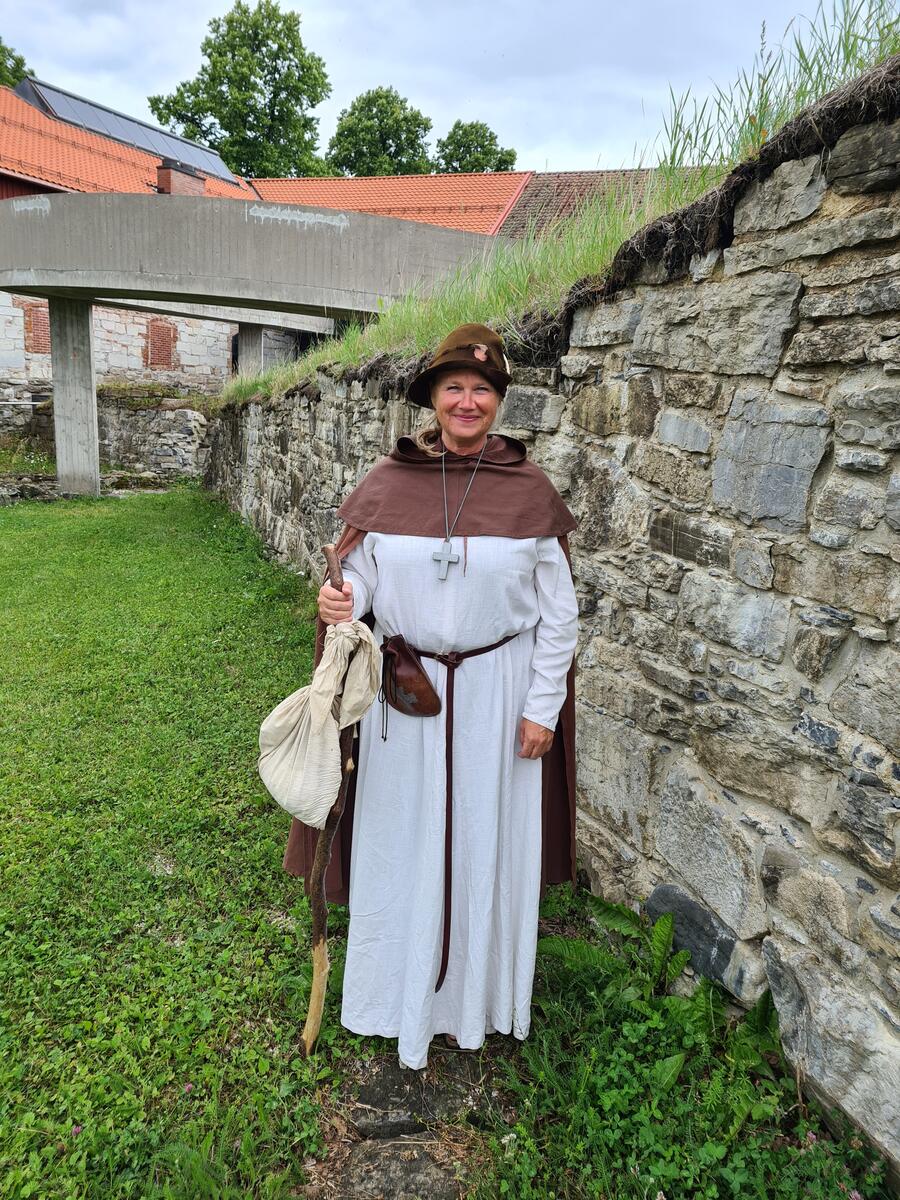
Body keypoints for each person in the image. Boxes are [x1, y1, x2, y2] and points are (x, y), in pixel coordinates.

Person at [284, 323, 579, 1070]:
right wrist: (340, 602)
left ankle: (470, 1007)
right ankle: (393, 995)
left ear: (499, 400)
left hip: (497, 697)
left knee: (484, 840)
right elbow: (366, 585)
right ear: (433, 397)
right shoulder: (388, 484)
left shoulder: (530, 492)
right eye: (454, 387)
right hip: (404, 698)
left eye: (483, 389)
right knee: (403, 839)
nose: (468, 400)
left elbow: (559, 615)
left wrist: (542, 707)